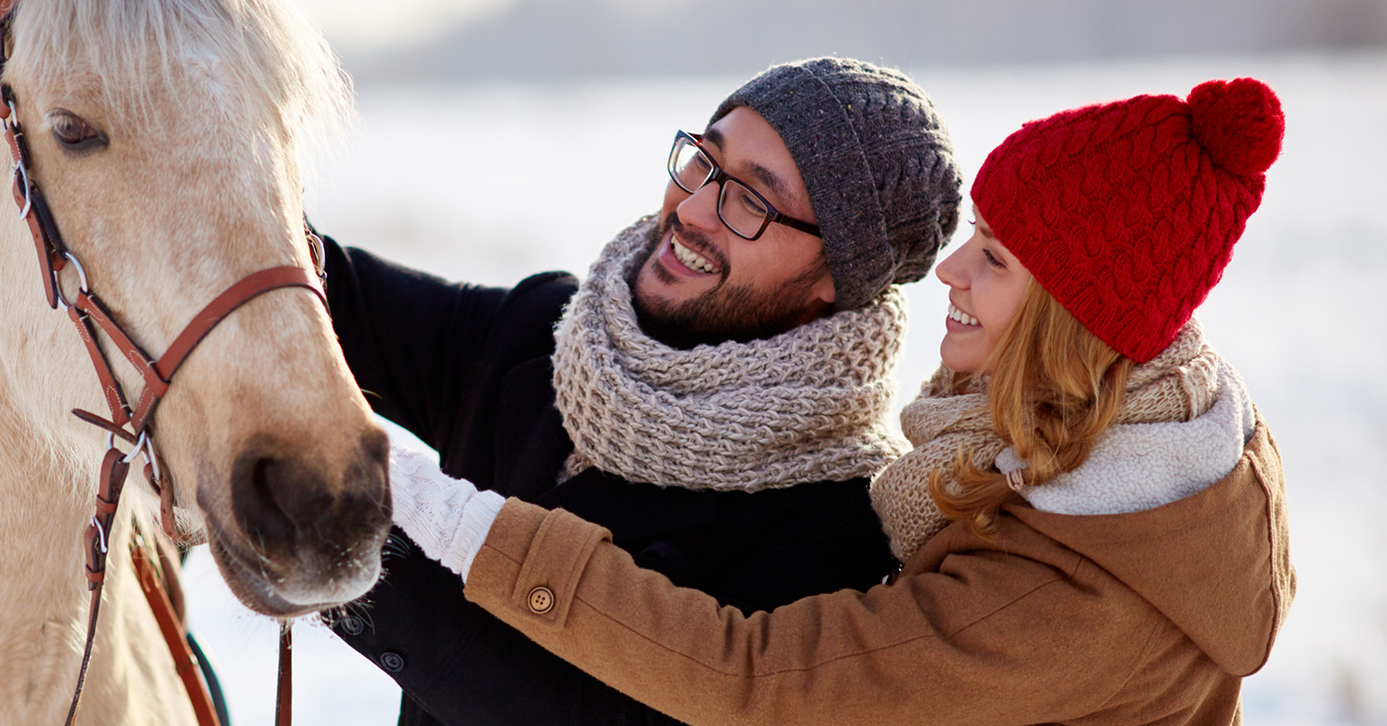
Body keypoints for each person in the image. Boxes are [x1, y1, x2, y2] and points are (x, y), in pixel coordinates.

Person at [389, 78, 1295, 724]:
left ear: (1070, 320)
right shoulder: (1097, 449)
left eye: (995, 258)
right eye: (974, 235)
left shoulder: (1057, 599)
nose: (948, 270)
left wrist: (447, 526)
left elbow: (755, 679)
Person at [316, 57, 961, 724]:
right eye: (703, 162)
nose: (695, 209)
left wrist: (335, 534)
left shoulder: (835, 522)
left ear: (837, 278)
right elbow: (313, 289)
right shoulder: (542, 334)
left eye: (750, 200)